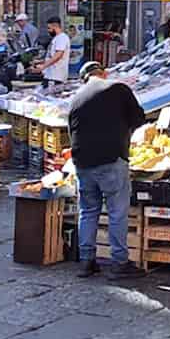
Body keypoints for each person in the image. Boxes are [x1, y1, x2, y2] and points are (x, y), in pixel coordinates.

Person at [70, 61, 147, 279]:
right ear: (103, 73)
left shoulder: (76, 98)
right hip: (111, 159)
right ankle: (119, 262)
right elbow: (138, 118)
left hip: (82, 162)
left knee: (88, 210)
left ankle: (86, 261)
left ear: (84, 78)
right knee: (117, 212)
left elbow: (72, 130)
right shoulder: (117, 88)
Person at [33, 17, 71, 85]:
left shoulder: (62, 38)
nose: (48, 30)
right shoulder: (56, 38)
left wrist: (43, 66)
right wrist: (40, 62)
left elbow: (58, 55)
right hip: (50, 75)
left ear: (55, 26)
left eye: (49, 28)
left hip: (56, 76)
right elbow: (51, 56)